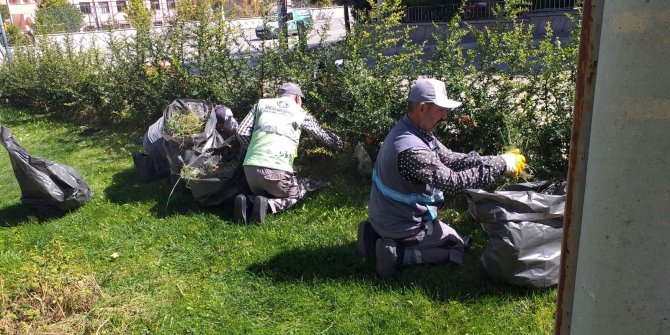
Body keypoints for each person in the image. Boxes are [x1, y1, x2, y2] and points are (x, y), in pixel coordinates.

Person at [358, 78, 526, 278]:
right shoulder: (412, 150)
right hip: (403, 224)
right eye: (440, 109)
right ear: (422, 108)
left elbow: (452, 159)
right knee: (457, 245)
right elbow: (453, 182)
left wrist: (496, 160)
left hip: (387, 215)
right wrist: (501, 166)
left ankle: (373, 235)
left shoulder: (412, 130)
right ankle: (398, 254)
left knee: (450, 237)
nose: (445, 115)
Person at [234, 82, 344, 224]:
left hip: (250, 171)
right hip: (277, 172)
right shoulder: (300, 113)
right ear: (298, 98)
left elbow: (241, 132)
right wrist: (341, 144)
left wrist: (254, 149)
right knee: (297, 192)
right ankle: (267, 205)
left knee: (266, 190)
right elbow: (321, 134)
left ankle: (247, 201)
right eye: (302, 101)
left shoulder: (261, 104)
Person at [133, 104, 238, 183]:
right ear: (217, 122)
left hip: (149, 136)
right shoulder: (200, 126)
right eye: (222, 126)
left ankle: (151, 160)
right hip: (155, 145)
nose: (222, 129)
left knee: (170, 161)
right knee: (178, 169)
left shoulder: (199, 108)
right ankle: (149, 163)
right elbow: (193, 150)